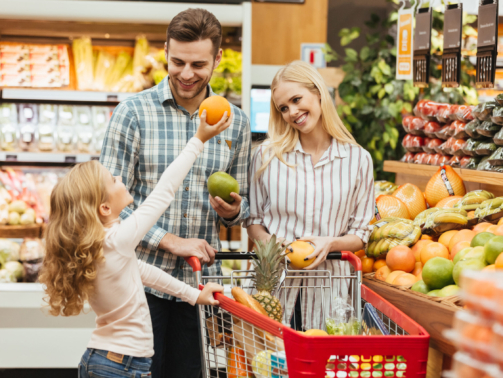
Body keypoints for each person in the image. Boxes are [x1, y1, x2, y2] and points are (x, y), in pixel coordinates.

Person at [99, 8, 251, 378]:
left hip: (195, 286)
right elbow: (102, 207)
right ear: (165, 51)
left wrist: (232, 211)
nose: (186, 74)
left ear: (217, 58)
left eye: (198, 64)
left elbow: (242, 206)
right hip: (134, 282)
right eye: (177, 61)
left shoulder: (237, 122)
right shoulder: (132, 113)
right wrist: (168, 239)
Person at [40, 111, 230, 377]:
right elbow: (164, 191)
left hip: (107, 360)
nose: (120, 179)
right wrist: (198, 139)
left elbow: (144, 273)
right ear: (104, 207)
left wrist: (194, 295)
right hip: (120, 366)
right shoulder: (116, 241)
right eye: (113, 180)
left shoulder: (104, 245)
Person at [244, 60, 375, 331]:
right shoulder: (267, 157)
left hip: (331, 293)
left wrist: (330, 243)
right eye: (283, 108)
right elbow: (253, 220)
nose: (292, 112)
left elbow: (361, 234)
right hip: (274, 290)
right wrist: (273, 245)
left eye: (296, 99)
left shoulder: (358, 160)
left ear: (317, 92)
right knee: (269, 369)